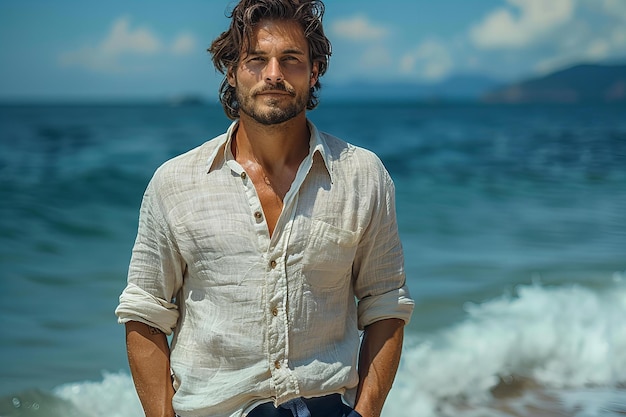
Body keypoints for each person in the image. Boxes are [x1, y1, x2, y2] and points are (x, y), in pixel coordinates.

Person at [115, 1, 414, 416]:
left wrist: (364, 413)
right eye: (257, 60)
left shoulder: (363, 176)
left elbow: (385, 305)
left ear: (314, 72)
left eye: (290, 60)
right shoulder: (175, 183)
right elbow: (144, 313)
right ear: (232, 71)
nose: (273, 74)